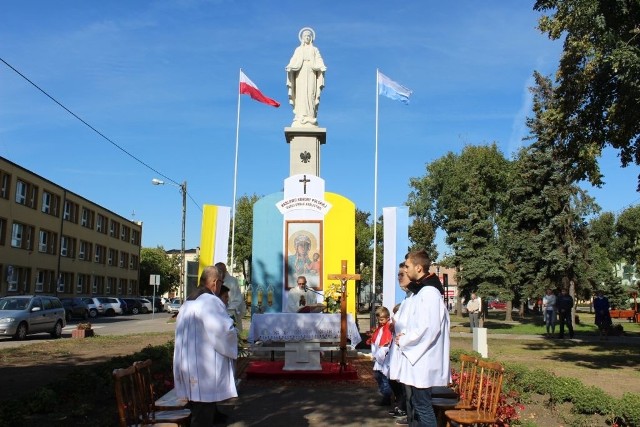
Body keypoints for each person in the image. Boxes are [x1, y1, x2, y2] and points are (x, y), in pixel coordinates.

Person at [173, 266, 238, 426]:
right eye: (221, 282)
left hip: (188, 366)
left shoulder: (189, 300)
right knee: (203, 416)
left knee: (199, 411)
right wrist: (234, 332)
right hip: (204, 371)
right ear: (215, 282)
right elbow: (224, 332)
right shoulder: (210, 301)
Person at [394, 250, 450, 426]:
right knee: (417, 404)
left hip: (423, 359)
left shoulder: (429, 293)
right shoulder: (422, 291)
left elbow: (428, 328)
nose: (406, 270)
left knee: (423, 406)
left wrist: (405, 339)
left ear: (418, 267)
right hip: (418, 358)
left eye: (408, 266)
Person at [285, 27, 327, 127]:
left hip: (312, 72)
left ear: (311, 38)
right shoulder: (298, 49)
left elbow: (319, 59)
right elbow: (294, 60)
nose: (307, 37)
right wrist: (290, 66)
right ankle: (300, 116)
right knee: (301, 94)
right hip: (300, 74)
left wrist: (321, 66)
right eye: (305, 36)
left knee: (310, 93)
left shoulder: (314, 49)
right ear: (302, 38)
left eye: (309, 36)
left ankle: (310, 115)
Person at [367, 306, 393, 406]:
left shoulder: (388, 327)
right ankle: (384, 394)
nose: (380, 322)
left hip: (384, 357)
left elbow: (386, 342)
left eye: (382, 319)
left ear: (387, 317)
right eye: (379, 320)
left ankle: (387, 398)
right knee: (378, 376)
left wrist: (379, 354)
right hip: (378, 357)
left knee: (384, 378)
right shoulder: (381, 327)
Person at [215, 262, 246, 332]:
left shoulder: (232, 281)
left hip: (229, 312)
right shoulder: (214, 281)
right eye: (217, 271)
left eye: (221, 271)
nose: (219, 273)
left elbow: (238, 300)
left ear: (225, 271)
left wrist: (227, 308)